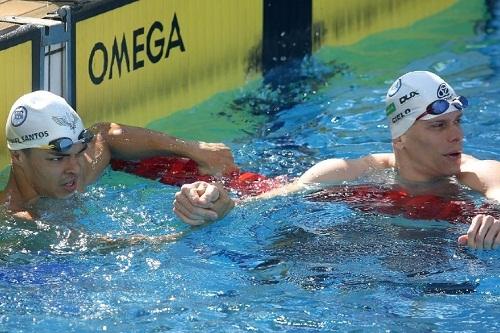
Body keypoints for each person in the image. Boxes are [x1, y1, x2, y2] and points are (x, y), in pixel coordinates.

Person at [174, 71, 500, 249]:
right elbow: (259, 205)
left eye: (458, 121)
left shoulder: (477, 173)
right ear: (400, 137)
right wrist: (218, 203)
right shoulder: (350, 172)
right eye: (439, 125)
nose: (457, 135)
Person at [1, 90, 235, 225]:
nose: (75, 168)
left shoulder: (73, 175)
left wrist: (193, 148)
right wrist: (199, 223)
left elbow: (105, 133)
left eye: (79, 153)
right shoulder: (14, 221)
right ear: (18, 156)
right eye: (57, 159)